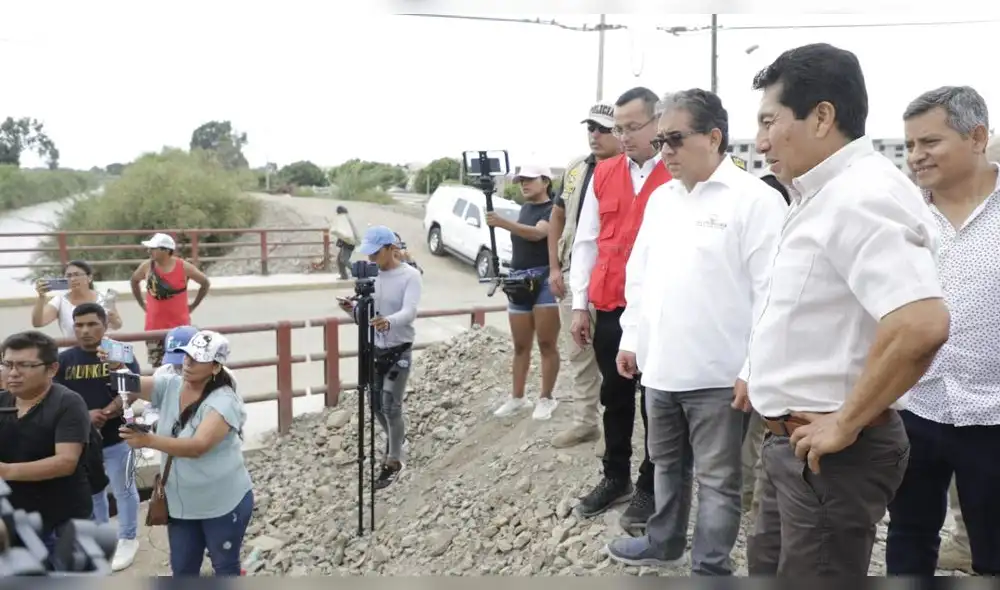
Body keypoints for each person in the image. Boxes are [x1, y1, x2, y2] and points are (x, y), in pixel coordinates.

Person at [743, 43, 950, 577]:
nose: (761, 140)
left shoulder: (860, 195)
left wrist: (845, 421)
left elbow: (920, 324)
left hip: (832, 455)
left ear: (822, 117)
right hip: (792, 444)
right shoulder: (818, 194)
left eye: (770, 121)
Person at [604, 89, 786, 574]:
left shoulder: (756, 201)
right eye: (660, 139)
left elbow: (773, 294)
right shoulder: (663, 199)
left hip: (720, 377)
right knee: (666, 466)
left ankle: (710, 566)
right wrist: (631, 338)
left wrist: (753, 367)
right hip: (661, 369)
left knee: (719, 480)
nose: (664, 150)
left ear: (714, 136)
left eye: (675, 139)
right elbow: (640, 277)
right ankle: (664, 543)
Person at [885, 86, 1000, 577]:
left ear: (976, 137)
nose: (916, 156)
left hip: (993, 414)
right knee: (908, 538)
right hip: (917, 408)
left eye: (929, 142)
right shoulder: (902, 214)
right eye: (910, 145)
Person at [569, 87, 672, 532]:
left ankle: (652, 484)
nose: (624, 137)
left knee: (655, 401)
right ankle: (616, 476)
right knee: (614, 396)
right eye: (619, 129)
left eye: (632, 128)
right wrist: (579, 305)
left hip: (659, 310)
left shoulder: (677, 171)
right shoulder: (603, 173)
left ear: (657, 123)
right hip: (610, 305)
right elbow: (587, 239)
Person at [118, 330, 253, 577]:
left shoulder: (224, 401)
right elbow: (133, 385)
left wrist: (148, 440)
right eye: (187, 356)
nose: (188, 363)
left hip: (222, 504)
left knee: (225, 567)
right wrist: (117, 367)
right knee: (182, 569)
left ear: (215, 367)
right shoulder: (172, 384)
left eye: (198, 359)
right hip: (181, 504)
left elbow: (198, 446)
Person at [548, 101, 621, 449]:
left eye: (603, 129)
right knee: (578, 350)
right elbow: (557, 217)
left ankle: (619, 425)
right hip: (572, 269)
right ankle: (584, 421)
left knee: (613, 352)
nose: (595, 135)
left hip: (613, 276)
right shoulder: (577, 168)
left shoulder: (629, 170)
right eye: (591, 128)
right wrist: (554, 267)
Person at [53, 303, 142, 571]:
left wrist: (107, 410)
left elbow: (135, 389)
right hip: (81, 441)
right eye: (79, 325)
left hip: (117, 436)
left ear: (105, 325)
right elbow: (55, 396)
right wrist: (84, 416)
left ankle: (128, 538)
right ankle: (103, 538)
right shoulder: (65, 359)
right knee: (93, 491)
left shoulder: (120, 352)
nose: (85, 330)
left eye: (92, 324)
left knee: (124, 489)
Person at [338, 225, 422, 488]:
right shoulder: (370, 276)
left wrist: (389, 321)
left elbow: (409, 311)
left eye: (376, 253)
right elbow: (366, 318)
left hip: (399, 349)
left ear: (391, 249)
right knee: (375, 405)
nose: (371, 258)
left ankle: (394, 460)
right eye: (369, 253)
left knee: (390, 405)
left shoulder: (410, 276)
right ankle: (397, 440)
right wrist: (351, 309)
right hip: (374, 349)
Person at [0, 331, 92, 552]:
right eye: (7, 364)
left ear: (52, 369)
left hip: (61, 519)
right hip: (13, 518)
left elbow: (65, 462)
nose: (13, 373)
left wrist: (5, 471)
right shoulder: (2, 400)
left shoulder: (68, 403)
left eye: (24, 365)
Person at [488, 165, 561, 421]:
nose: (523, 184)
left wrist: (502, 223)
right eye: (521, 180)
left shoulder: (552, 209)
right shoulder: (525, 208)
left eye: (529, 180)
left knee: (546, 343)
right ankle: (518, 397)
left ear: (545, 181)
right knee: (520, 345)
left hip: (543, 280)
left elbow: (538, 234)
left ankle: (546, 398)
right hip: (519, 279)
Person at [129, 233, 211, 369]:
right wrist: (142, 304)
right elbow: (134, 280)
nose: (149, 251)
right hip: (154, 327)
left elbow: (205, 283)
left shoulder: (183, 267)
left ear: (166, 251)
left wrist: (193, 306)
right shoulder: (147, 267)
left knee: (181, 367)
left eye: (153, 248)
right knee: (159, 369)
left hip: (179, 328)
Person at [32, 260, 123, 338]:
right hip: (74, 352)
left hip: (103, 351)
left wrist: (114, 320)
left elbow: (117, 325)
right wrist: (41, 297)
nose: (72, 279)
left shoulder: (104, 297)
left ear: (89, 278)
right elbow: (38, 323)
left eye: (77, 275)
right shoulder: (60, 301)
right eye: (68, 276)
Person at [331, 205, 361, 280]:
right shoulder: (346, 218)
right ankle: (344, 275)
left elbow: (348, 232)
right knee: (340, 260)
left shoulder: (345, 219)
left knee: (344, 260)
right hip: (346, 242)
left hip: (348, 242)